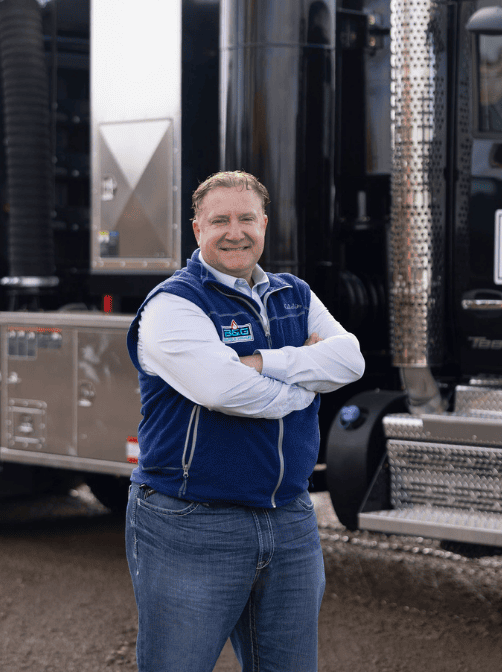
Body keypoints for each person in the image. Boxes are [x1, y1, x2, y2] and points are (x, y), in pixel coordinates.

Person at [125, 170, 365, 672]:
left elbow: (350, 361)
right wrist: (305, 382)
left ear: (264, 225)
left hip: (290, 519)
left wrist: (261, 362)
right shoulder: (174, 304)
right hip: (193, 522)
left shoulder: (294, 294)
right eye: (219, 221)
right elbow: (224, 390)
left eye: (246, 219)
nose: (234, 232)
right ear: (197, 229)